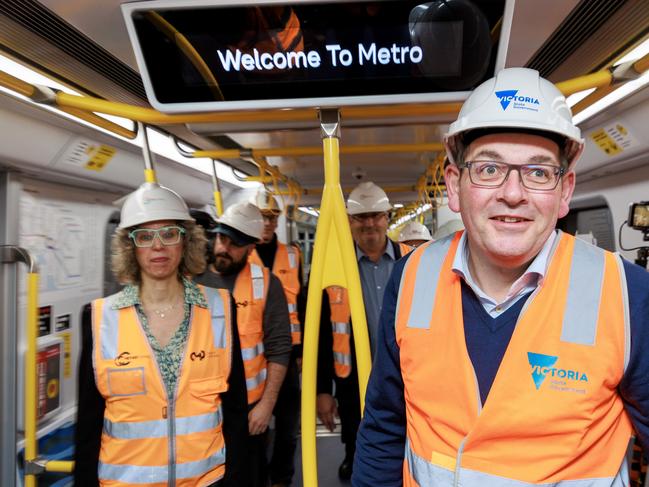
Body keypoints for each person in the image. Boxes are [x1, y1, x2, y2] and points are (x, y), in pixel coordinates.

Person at [352, 67, 649, 486]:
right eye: (489, 169)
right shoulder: (412, 277)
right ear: (454, 186)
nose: (513, 193)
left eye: (539, 172)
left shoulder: (628, 296)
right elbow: (384, 427)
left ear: (565, 192)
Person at [74, 182, 234, 486]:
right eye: (144, 236)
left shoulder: (221, 309)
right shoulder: (98, 318)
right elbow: (89, 423)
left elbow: (234, 412)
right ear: (130, 247)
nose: (157, 246)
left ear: (185, 242)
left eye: (169, 234)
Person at [317, 181, 412, 480]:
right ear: (349, 221)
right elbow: (321, 335)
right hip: (352, 373)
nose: (369, 223)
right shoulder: (333, 267)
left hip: (406, 369)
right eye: (361, 217)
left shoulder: (413, 261)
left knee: (406, 430)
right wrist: (322, 391)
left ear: (387, 217)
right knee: (355, 426)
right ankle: (352, 457)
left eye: (376, 215)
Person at [195, 201, 292, 487]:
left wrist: (266, 405)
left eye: (235, 244)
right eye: (222, 238)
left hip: (248, 410)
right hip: (200, 409)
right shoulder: (190, 279)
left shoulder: (266, 284)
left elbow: (279, 347)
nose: (224, 248)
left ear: (251, 248)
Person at [249, 189, 304, 487]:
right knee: (253, 425)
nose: (268, 223)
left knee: (287, 425)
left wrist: (302, 352)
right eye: (262, 217)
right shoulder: (243, 255)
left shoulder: (293, 255)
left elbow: (303, 304)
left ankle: (282, 478)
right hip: (252, 356)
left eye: (272, 217)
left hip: (288, 353)